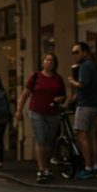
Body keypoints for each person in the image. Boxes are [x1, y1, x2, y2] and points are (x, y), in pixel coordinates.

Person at [15, 54, 66, 182]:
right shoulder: (35, 76)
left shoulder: (58, 79)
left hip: (53, 112)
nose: (49, 62)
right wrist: (19, 110)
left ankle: (47, 167)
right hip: (37, 112)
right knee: (41, 139)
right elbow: (25, 93)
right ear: (43, 62)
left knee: (49, 141)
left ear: (55, 64)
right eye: (47, 60)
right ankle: (41, 169)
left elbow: (63, 96)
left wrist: (59, 99)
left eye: (52, 60)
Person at [67, 41, 97, 179]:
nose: (74, 55)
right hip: (95, 104)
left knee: (81, 135)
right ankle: (95, 166)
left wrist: (72, 82)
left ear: (85, 52)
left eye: (77, 52)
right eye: (73, 52)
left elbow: (82, 84)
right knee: (92, 135)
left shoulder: (84, 66)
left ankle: (87, 167)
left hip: (84, 105)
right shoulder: (94, 66)